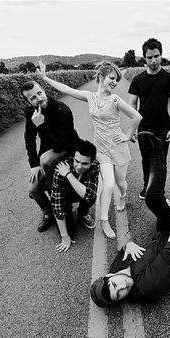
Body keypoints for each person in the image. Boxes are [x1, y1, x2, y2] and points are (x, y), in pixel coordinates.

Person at [90, 131, 170, 307]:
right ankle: (158, 152)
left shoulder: (115, 269)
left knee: (160, 203)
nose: (122, 287)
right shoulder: (147, 287)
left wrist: (129, 245)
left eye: (114, 285)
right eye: (119, 295)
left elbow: (123, 250)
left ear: (109, 276)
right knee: (152, 197)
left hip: (163, 235)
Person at [37, 60, 142, 239]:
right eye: (111, 78)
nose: (115, 82)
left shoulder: (115, 99)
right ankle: (104, 222)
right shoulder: (90, 96)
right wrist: (45, 78)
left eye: (117, 79)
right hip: (101, 149)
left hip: (118, 148)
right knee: (108, 185)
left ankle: (123, 194)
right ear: (101, 77)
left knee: (120, 182)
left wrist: (127, 135)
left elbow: (136, 116)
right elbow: (66, 89)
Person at [22, 80, 80, 232]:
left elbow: (60, 145)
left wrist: (41, 125)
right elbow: (29, 138)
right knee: (33, 188)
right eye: (33, 98)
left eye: (39, 93)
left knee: (46, 160)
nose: (39, 99)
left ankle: (52, 188)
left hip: (68, 150)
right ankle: (49, 213)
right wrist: (34, 165)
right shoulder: (31, 113)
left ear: (43, 90)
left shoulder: (62, 110)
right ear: (29, 102)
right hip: (46, 154)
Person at [128, 38, 170, 200]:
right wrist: (133, 129)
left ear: (161, 55)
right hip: (143, 127)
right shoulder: (138, 80)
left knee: (161, 162)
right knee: (146, 160)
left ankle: (158, 192)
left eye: (156, 56)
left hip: (163, 128)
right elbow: (132, 105)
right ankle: (146, 187)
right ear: (144, 58)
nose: (154, 60)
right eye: (150, 57)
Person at [51, 140, 99, 252]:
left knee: (91, 197)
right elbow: (58, 206)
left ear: (92, 162)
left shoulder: (95, 166)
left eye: (85, 163)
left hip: (81, 192)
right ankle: (50, 213)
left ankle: (82, 213)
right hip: (64, 196)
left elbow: (90, 196)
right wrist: (65, 236)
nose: (79, 166)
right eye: (77, 161)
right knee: (70, 233)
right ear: (73, 157)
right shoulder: (60, 170)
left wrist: (68, 175)